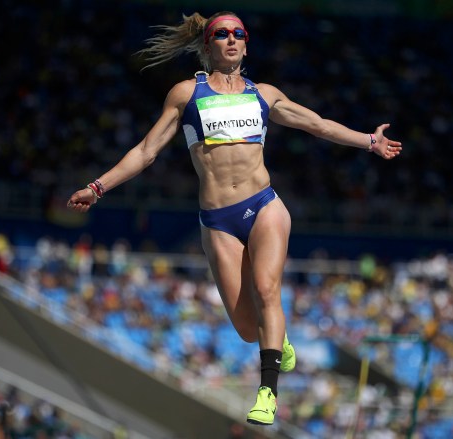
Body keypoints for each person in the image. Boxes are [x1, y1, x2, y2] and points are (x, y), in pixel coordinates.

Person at [66, 11, 402, 426]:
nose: (230, 40)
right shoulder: (187, 93)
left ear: (246, 44)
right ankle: (278, 339)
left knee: (267, 290)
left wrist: (369, 141)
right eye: (221, 34)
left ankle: (268, 391)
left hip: (264, 205)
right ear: (207, 46)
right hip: (217, 219)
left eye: (238, 34)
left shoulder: (263, 94)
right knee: (247, 328)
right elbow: (145, 151)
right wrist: (97, 188)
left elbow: (317, 125)